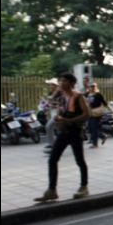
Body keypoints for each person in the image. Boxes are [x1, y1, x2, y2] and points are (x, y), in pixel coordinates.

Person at [34, 73, 90, 202]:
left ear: (71, 83)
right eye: (60, 81)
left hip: (75, 132)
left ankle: (84, 187)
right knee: (52, 159)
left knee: (79, 160)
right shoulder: (62, 96)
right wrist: (59, 118)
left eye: (64, 81)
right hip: (64, 132)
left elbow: (87, 114)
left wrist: (68, 120)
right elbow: (54, 106)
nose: (61, 83)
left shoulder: (78, 96)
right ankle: (52, 190)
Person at [85, 82, 112, 148]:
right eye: (91, 86)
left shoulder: (98, 94)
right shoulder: (88, 94)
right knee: (90, 128)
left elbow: (105, 103)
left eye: (94, 86)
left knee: (93, 128)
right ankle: (103, 136)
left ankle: (95, 144)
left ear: (96, 87)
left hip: (97, 113)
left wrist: (111, 110)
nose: (92, 88)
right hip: (91, 113)